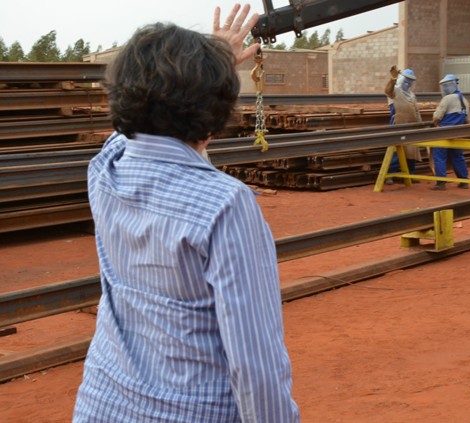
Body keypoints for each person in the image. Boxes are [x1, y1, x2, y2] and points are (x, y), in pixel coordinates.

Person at [72, 4, 300, 422]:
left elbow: (131, 128)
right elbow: (255, 363)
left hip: (103, 405)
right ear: (216, 112)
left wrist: (209, 66)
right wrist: (214, 73)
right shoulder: (224, 205)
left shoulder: (104, 170)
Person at [431, 74, 470, 191]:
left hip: (444, 133)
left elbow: (437, 116)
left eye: (445, 86)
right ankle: (464, 181)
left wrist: (435, 123)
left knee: (439, 156)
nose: (444, 89)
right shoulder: (464, 100)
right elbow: (468, 120)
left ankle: (441, 183)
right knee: (457, 156)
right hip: (457, 133)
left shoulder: (447, 99)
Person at [384, 65, 422, 183]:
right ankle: (389, 174)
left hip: (411, 125)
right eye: (407, 81)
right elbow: (387, 91)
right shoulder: (395, 91)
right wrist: (392, 79)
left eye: (410, 82)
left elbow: (416, 110)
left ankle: (410, 175)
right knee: (395, 150)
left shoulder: (411, 95)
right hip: (398, 123)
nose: (408, 84)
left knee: (412, 151)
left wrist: (420, 124)